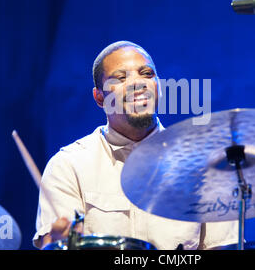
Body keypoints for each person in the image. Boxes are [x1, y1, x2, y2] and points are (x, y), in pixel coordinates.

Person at [33, 41, 238, 250]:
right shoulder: (68, 166)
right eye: (120, 78)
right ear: (99, 97)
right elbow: (54, 242)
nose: (137, 83)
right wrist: (56, 244)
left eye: (147, 74)